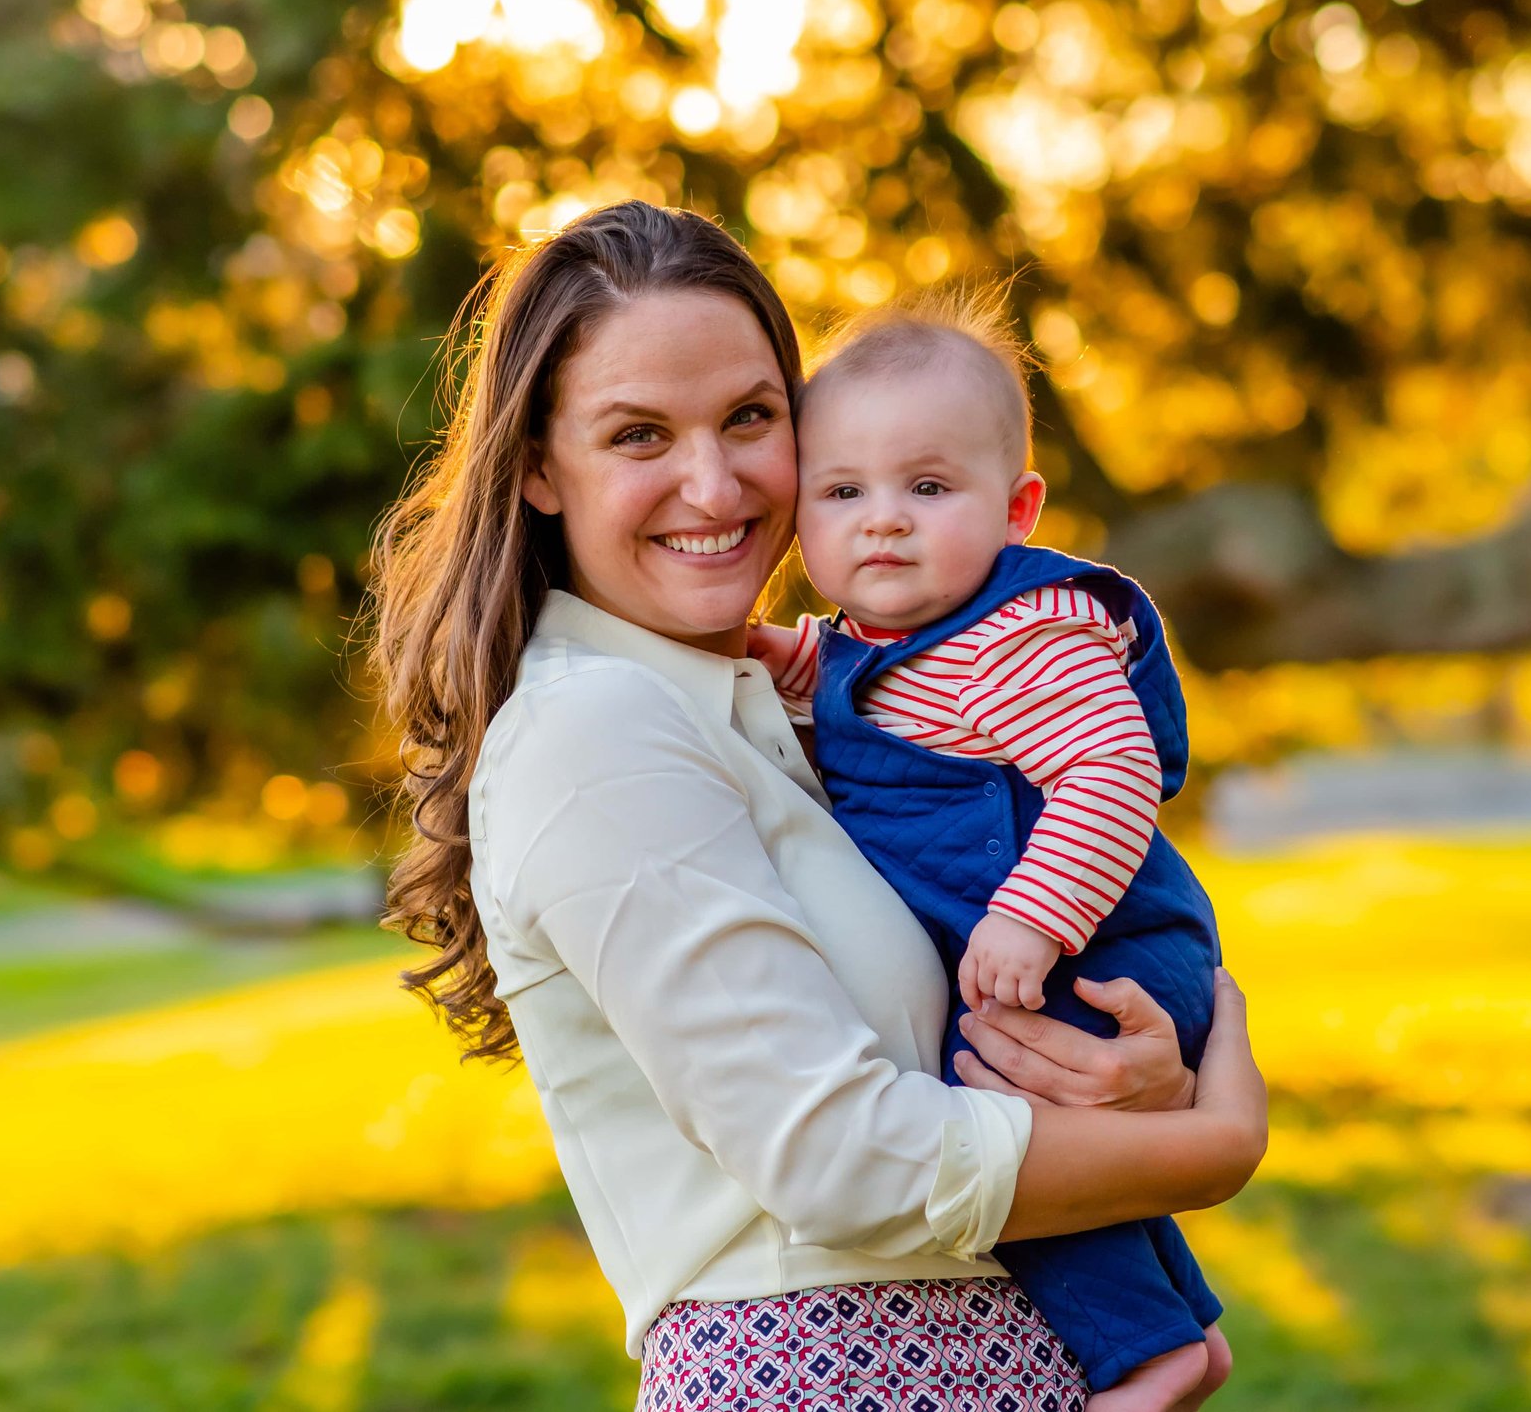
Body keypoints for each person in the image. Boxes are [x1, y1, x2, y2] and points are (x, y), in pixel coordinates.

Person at [367, 200, 1267, 1412]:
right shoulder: (597, 732)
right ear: (536, 467)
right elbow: (836, 1157)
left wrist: (1118, 1079)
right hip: (822, 1372)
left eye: (750, 417)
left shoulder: (780, 706)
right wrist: (1207, 1145)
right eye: (639, 434)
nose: (713, 480)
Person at [751, 294, 1227, 1412]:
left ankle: (1146, 1359)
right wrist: (762, 649)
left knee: (1008, 1138)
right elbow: (837, 676)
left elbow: (1112, 774)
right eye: (842, 491)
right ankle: (1187, 1330)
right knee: (1057, 1138)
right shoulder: (882, 645)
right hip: (1055, 953)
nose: (883, 521)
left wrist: (1030, 916)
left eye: (927, 487)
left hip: (1102, 949)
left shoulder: (1023, 635)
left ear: (1015, 508)